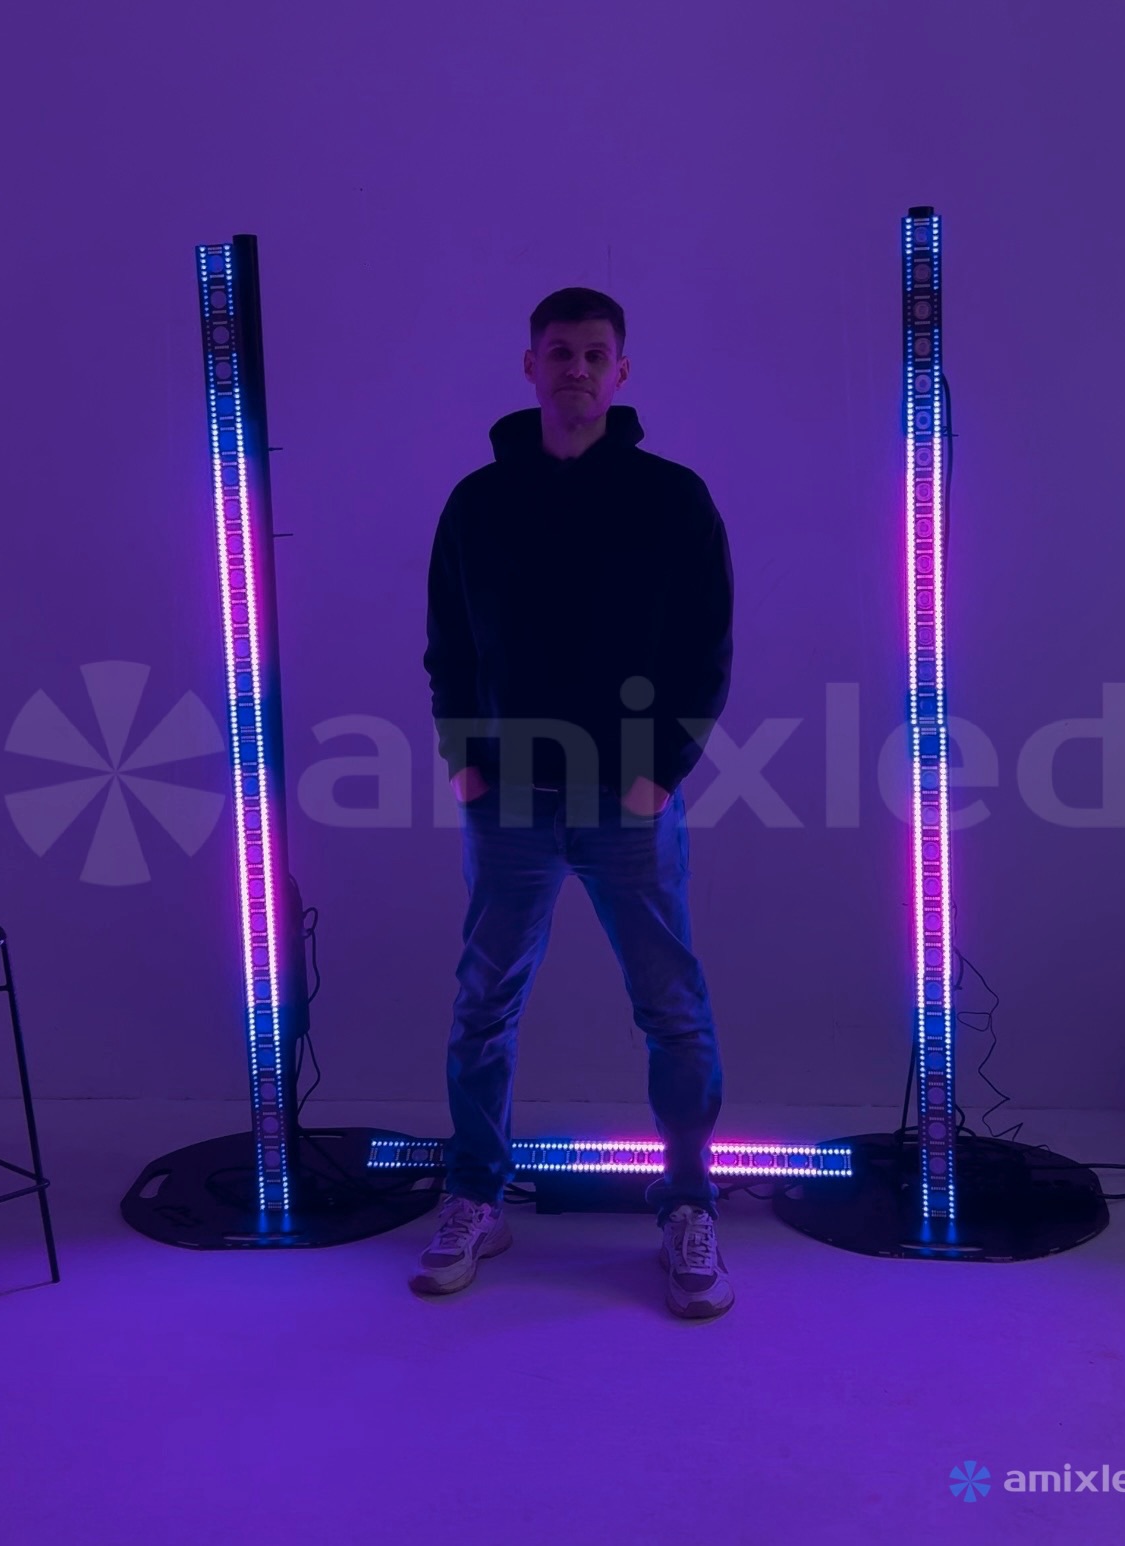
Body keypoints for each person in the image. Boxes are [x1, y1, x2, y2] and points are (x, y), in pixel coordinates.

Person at [411, 288, 735, 1319]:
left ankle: (688, 1207)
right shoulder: (478, 502)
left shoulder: (671, 498)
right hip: (507, 799)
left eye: (596, 354)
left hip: (630, 799)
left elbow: (706, 648)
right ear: (531, 365)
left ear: (622, 371)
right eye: (560, 352)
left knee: (670, 1007)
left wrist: (661, 768)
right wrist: (464, 761)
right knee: (484, 1005)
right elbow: (448, 644)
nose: (578, 369)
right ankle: (476, 1197)